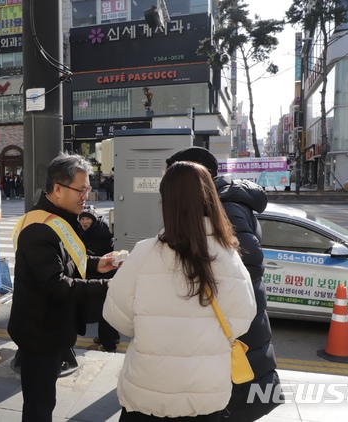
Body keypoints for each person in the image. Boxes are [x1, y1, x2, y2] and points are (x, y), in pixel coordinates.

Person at [103, 161, 256, 421]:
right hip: (206, 396)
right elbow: (243, 319)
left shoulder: (143, 254)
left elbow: (116, 316)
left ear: (167, 204)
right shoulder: (230, 257)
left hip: (147, 394)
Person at [166, 146, 282, 421]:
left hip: (235, 316)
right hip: (235, 312)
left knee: (235, 392)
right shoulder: (223, 199)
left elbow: (250, 260)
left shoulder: (226, 205)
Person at [8, 152, 117, 422]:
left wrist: (96, 265)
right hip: (39, 333)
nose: (86, 196)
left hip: (48, 327)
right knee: (39, 405)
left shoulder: (55, 218)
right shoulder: (39, 228)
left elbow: (66, 261)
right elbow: (57, 285)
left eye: (87, 189)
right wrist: (108, 286)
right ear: (57, 189)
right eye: (81, 190)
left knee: (44, 399)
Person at [78, 205, 120, 352]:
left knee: (103, 313)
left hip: (103, 278)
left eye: (87, 219)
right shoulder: (95, 230)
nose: (84, 222)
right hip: (104, 278)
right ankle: (112, 337)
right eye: (82, 218)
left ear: (94, 220)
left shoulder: (97, 236)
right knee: (106, 311)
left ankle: (107, 344)